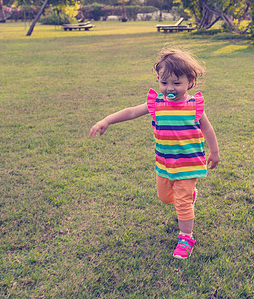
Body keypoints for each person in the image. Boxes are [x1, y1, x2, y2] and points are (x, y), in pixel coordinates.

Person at [89, 48, 220, 259]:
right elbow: (131, 112)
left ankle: (186, 237)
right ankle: (189, 196)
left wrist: (214, 152)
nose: (170, 88)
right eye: (164, 82)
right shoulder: (156, 103)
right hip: (164, 164)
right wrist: (107, 120)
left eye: (176, 83)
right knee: (165, 197)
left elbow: (208, 129)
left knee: (183, 204)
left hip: (189, 164)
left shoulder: (193, 106)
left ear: (190, 82)